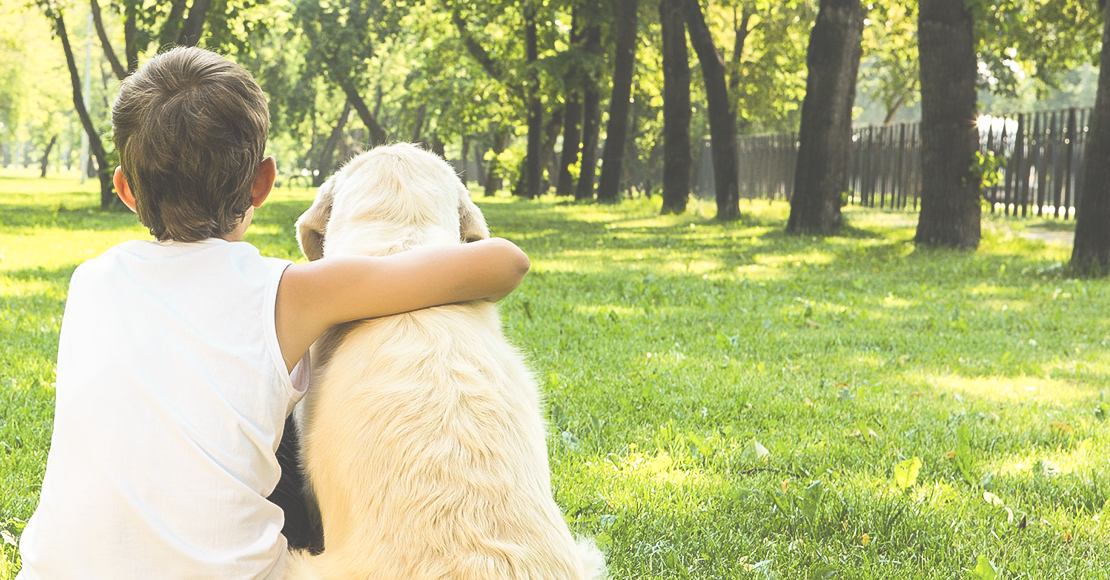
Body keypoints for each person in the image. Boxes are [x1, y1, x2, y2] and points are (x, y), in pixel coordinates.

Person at [15, 46, 529, 580]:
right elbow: (506, 264)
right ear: (263, 181)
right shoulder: (292, 293)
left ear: (124, 189)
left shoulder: (89, 282)